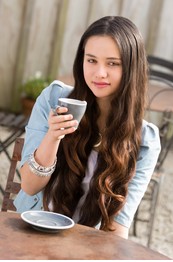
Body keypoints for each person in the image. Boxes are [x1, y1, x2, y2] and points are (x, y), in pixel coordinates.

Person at [14, 16, 161, 239]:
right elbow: (29, 186)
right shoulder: (54, 100)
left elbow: (117, 228)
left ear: (131, 68)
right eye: (91, 60)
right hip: (31, 231)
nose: (99, 73)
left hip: (85, 246)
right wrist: (53, 137)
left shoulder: (145, 141)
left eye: (113, 63)